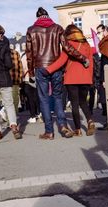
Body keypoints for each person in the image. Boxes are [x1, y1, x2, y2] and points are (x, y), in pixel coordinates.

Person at [26, 7, 89, 140]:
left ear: (37, 17)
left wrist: (31, 72)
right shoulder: (57, 28)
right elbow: (67, 48)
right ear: (48, 16)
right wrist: (82, 58)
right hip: (55, 67)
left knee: (43, 99)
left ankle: (49, 132)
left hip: (40, 67)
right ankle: (63, 126)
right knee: (58, 97)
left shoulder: (31, 30)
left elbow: (29, 54)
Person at [46, 24, 96, 136]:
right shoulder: (86, 45)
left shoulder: (69, 45)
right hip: (85, 78)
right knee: (83, 102)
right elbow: (91, 64)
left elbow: (62, 61)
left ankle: (78, 130)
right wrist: (90, 78)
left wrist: (48, 70)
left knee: (74, 104)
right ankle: (90, 121)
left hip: (72, 78)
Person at [21, 53, 40, 124]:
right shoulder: (37, 55)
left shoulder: (24, 57)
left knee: (30, 99)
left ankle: (33, 116)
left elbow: (22, 69)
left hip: (27, 79)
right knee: (37, 97)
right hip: (37, 78)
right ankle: (39, 113)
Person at [10, 48, 23, 113]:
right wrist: (20, 79)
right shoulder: (15, 52)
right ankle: (13, 119)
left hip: (4, 81)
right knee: (15, 100)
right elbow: (20, 67)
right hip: (15, 80)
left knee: (7, 101)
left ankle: (10, 118)